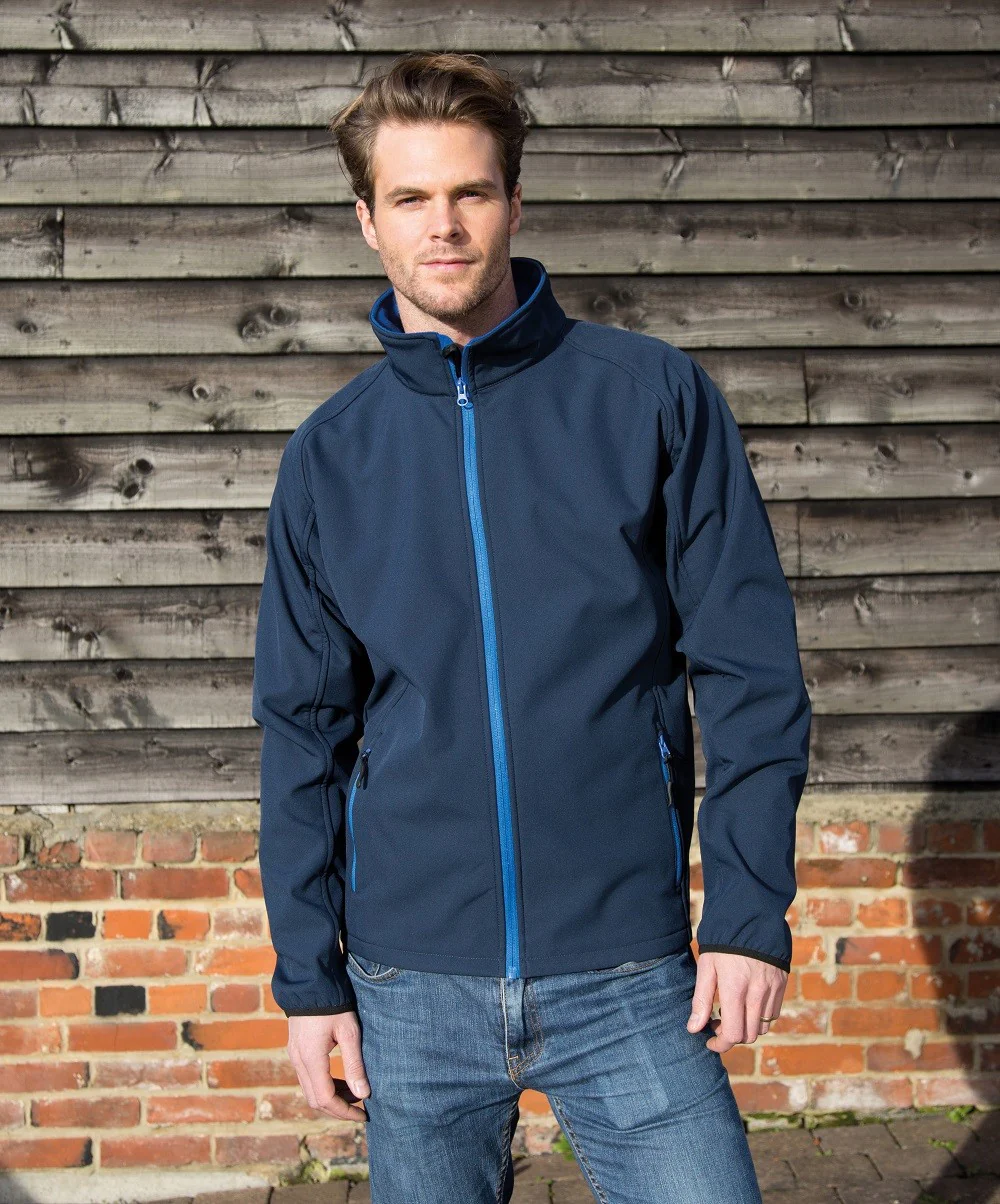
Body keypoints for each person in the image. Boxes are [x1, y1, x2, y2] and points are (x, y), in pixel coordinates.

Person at [251, 50, 811, 1204]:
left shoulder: (650, 398)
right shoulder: (330, 458)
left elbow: (749, 667)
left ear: (515, 200)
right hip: (411, 985)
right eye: (410, 197)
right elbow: (301, 734)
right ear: (366, 219)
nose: (443, 225)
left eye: (470, 191)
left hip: (628, 969)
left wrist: (747, 914)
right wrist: (310, 981)